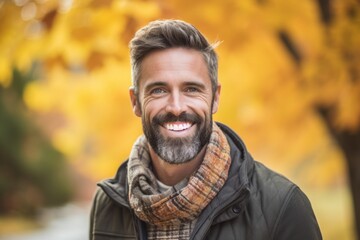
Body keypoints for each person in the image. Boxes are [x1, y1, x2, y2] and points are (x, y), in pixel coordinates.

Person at [89, 19, 322, 240]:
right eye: (159, 90)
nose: (177, 107)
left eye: (191, 89)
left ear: (215, 98)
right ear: (135, 101)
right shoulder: (108, 204)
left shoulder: (282, 208)